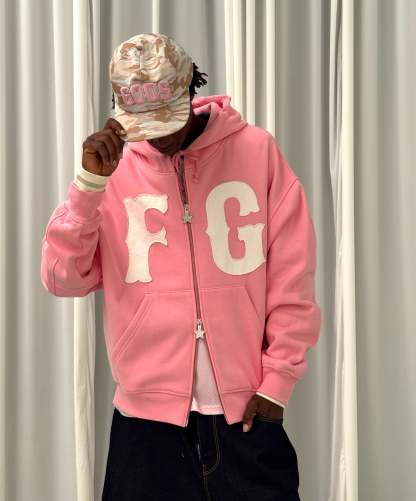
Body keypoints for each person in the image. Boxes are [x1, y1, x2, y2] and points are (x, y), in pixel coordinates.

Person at [40, 33, 321, 501]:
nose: (158, 135)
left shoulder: (256, 151)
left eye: (166, 118)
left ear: (191, 87)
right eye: (144, 123)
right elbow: (61, 278)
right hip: (145, 430)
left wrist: (277, 383)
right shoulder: (112, 172)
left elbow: (292, 277)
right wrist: (88, 186)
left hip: (247, 417)